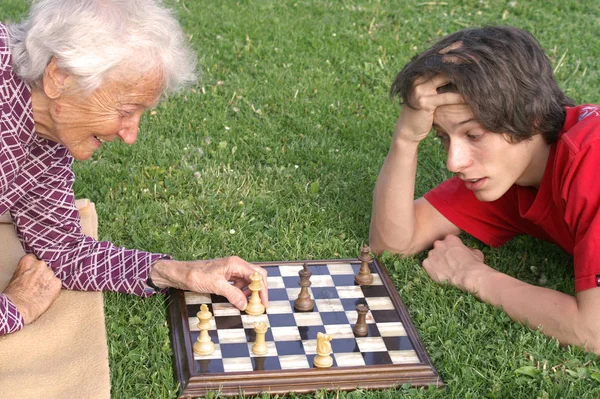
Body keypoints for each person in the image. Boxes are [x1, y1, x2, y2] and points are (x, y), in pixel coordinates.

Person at [0, 0, 268, 336]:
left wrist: (176, 273)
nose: (130, 135)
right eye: (126, 110)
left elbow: (61, 249)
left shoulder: (48, 129)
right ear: (59, 77)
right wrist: (15, 306)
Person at [369, 26, 600, 354]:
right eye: (443, 137)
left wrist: (473, 275)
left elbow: (594, 331)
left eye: (473, 135)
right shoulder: (510, 170)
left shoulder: (592, 159)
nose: (454, 162)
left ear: (531, 116)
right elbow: (392, 244)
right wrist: (406, 137)